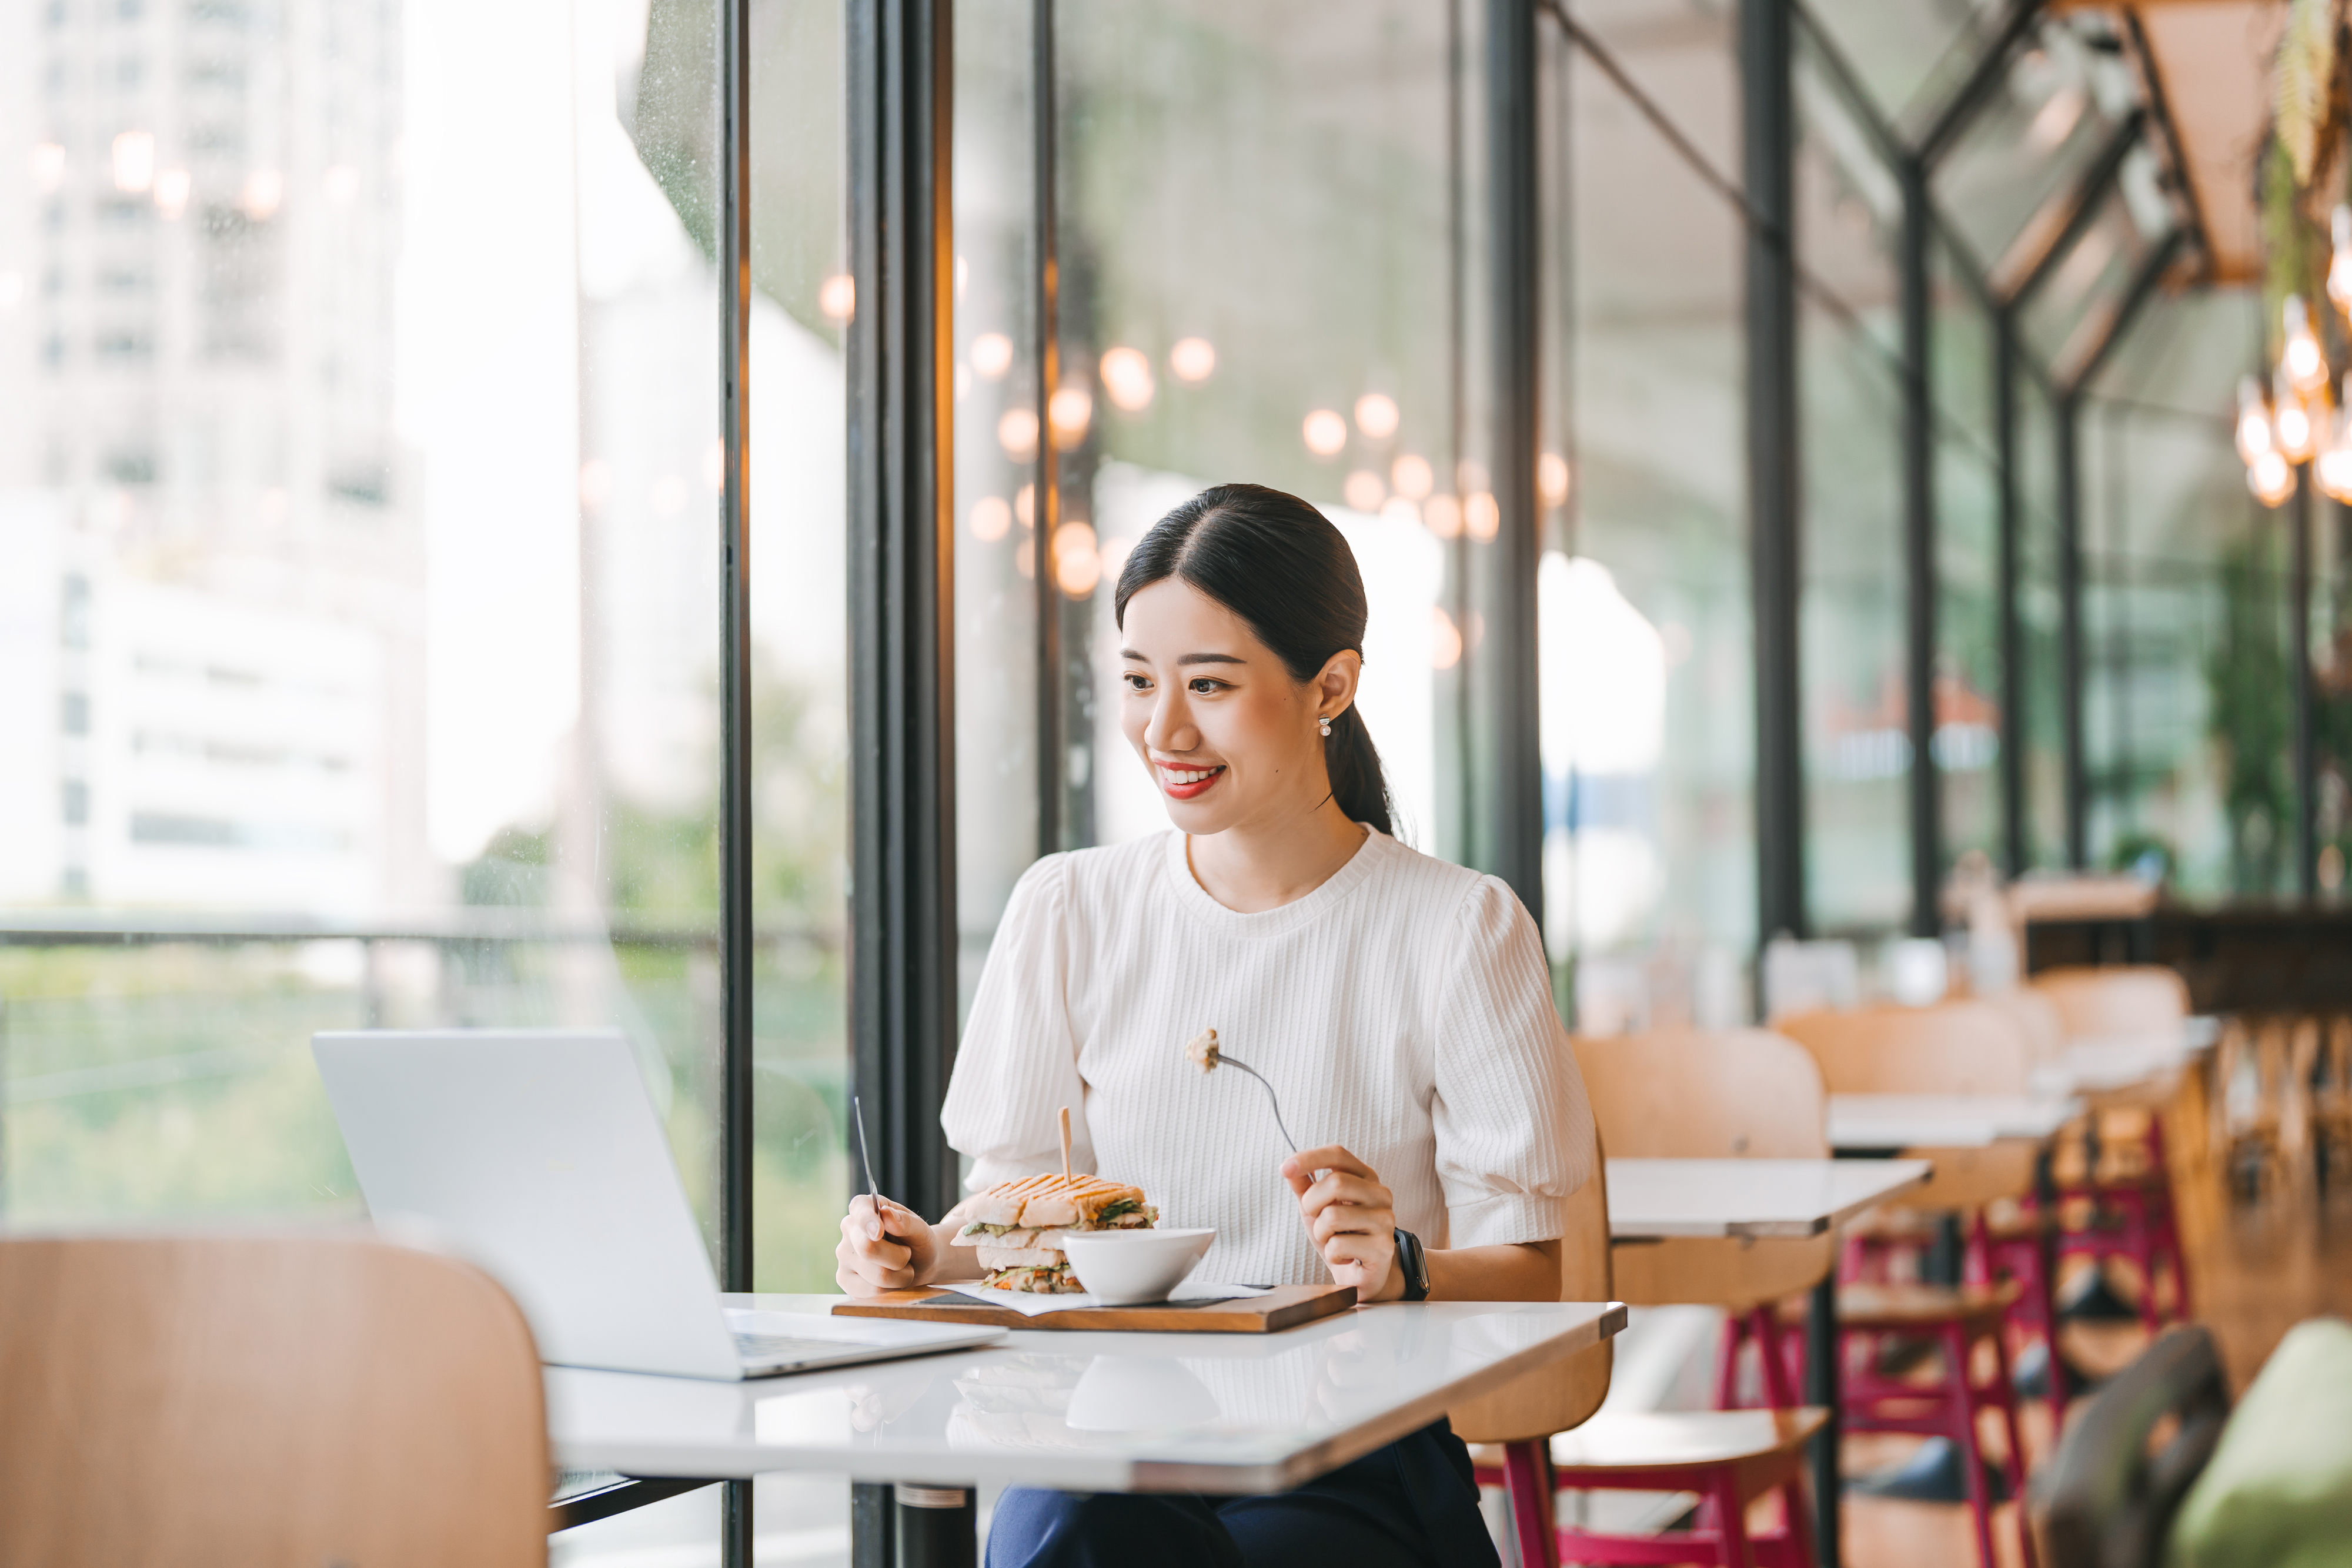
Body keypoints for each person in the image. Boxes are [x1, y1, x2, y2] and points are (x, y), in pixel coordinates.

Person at [836, 482, 1596, 1568]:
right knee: (1076, 1529)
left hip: (1355, 1442)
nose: (1165, 730)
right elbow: (1021, 1228)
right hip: (1104, 1429)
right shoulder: (1069, 909)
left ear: (1329, 685)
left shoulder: (1458, 927)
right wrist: (926, 1258)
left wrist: (1404, 1267)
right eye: (1141, 683)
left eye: (1210, 685)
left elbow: (1532, 1272)